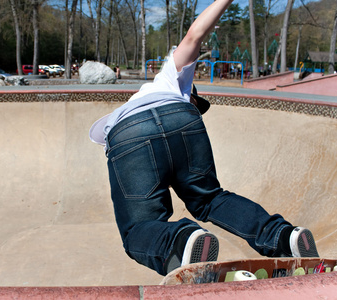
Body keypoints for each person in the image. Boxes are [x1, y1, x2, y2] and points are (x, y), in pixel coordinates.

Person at [89, 0, 318, 276]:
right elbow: (195, 34)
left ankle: (180, 241)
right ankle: (283, 237)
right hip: (182, 122)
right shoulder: (175, 84)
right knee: (211, 199)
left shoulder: (161, 81)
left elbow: (192, 35)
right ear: (192, 97)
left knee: (138, 228)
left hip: (126, 133)